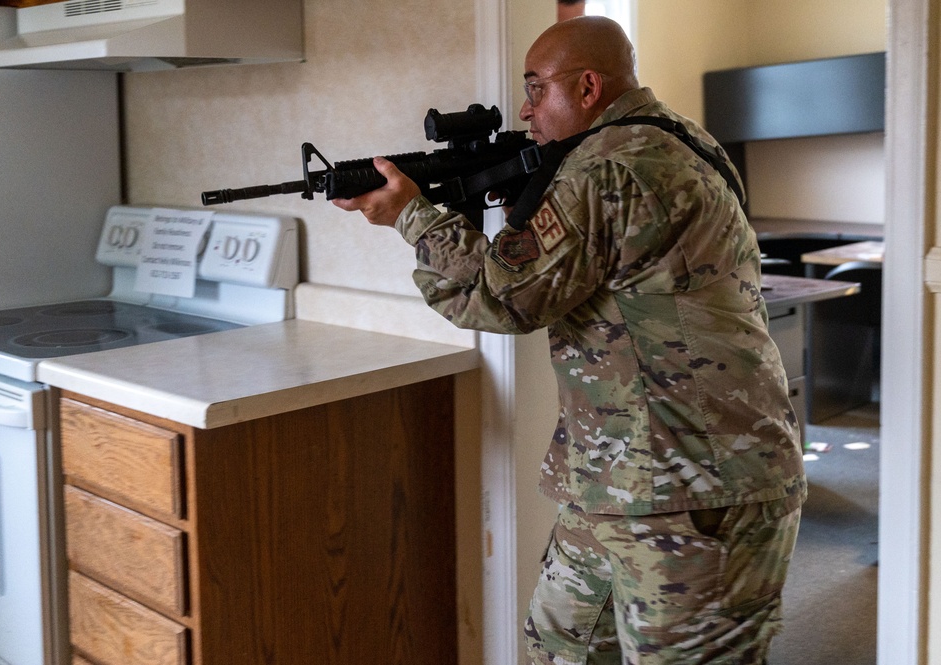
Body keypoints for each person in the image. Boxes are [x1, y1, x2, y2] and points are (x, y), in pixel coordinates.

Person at [333, 16, 806, 665]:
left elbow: (503, 296)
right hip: (623, 478)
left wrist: (412, 214)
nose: (525, 111)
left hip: (695, 493)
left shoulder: (608, 168)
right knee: (560, 645)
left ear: (587, 87)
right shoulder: (680, 139)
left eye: (536, 90)